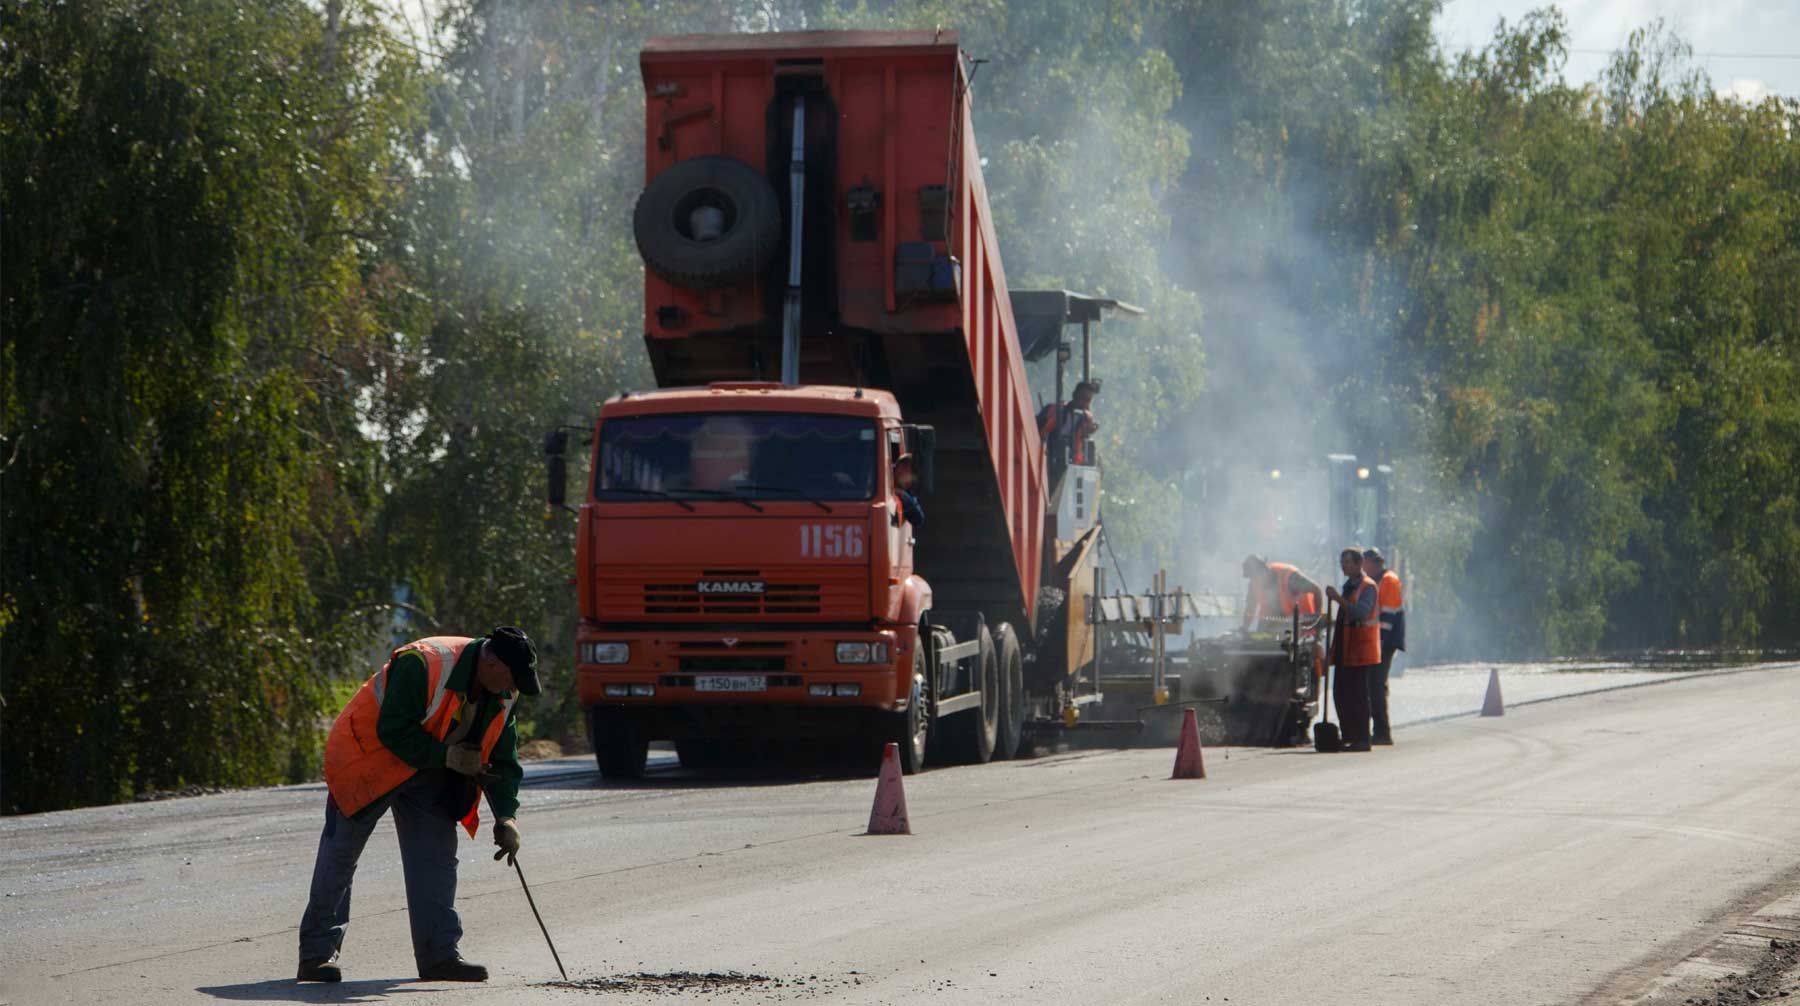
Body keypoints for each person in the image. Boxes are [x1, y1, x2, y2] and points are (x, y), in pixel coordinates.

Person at [297, 627, 540, 983]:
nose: (513, 687)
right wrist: (449, 756)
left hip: (429, 768)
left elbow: (503, 757)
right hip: (367, 758)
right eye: (511, 677)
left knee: (436, 859)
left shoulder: (503, 692)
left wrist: (508, 816)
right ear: (490, 661)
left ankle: (439, 957)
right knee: (341, 855)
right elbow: (392, 730)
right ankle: (317, 956)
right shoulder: (423, 663)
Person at [1324, 548, 1380, 752]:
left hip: (1361, 650)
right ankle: (1349, 735)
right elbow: (1343, 621)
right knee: (1341, 694)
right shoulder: (1349, 586)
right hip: (1345, 651)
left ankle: (1362, 738)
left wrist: (1338, 599)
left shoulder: (1368, 587)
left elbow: (1360, 613)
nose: (1344, 566)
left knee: (1357, 696)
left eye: (1348, 562)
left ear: (1359, 564)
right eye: (1342, 562)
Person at [1362, 547, 1405, 745]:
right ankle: (1379, 730)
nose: (1363, 568)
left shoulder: (1388, 581)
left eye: (1365, 564)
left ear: (1373, 563)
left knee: (1376, 684)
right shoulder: (1381, 580)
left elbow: (1387, 615)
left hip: (1384, 641)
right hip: (1381, 640)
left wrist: (1378, 641)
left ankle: (1382, 732)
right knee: (1376, 684)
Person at [1239, 554, 1322, 630]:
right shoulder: (1254, 583)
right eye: (1252, 578)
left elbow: (1316, 590)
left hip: (1301, 629)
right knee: (1260, 637)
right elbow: (1250, 608)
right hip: (1273, 628)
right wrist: (1244, 628)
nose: (1254, 580)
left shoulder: (1289, 577)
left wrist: (1316, 621)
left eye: (1255, 576)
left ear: (1263, 569)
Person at [1037, 380, 1101, 469]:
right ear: (1074, 395)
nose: (1083, 402)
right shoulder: (1052, 410)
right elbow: (1034, 429)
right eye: (1081, 397)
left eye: (1087, 400)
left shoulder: (1086, 420)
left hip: (1072, 467)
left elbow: (1091, 430)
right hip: (1046, 460)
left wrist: (1090, 430)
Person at [894, 452, 925, 528]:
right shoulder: (884, 474)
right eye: (900, 467)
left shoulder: (908, 494)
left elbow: (919, 519)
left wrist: (903, 495)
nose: (900, 471)